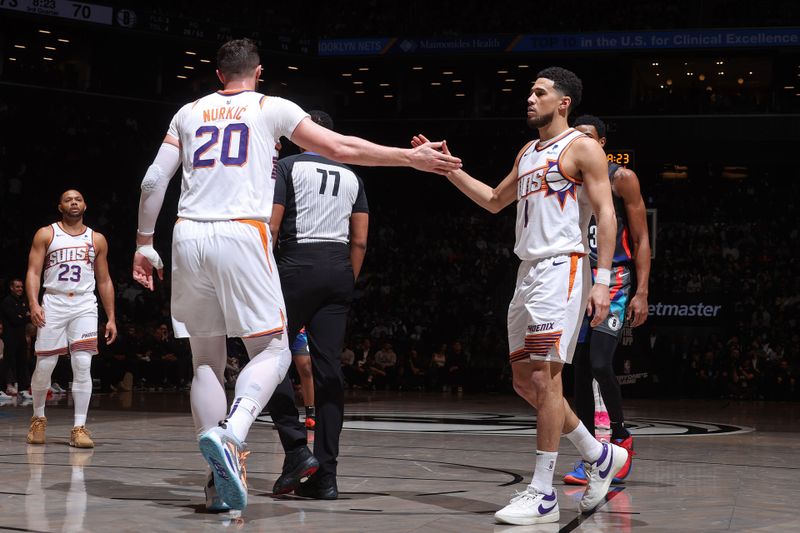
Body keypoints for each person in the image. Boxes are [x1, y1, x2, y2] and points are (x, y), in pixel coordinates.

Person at [131, 38, 459, 512]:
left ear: (218, 74)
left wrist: (144, 243)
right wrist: (412, 158)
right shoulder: (271, 107)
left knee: (205, 360)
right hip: (243, 231)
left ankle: (216, 482)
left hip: (187, 236)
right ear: (258, 72)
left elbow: (152, 180)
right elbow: (342, 147)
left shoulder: (187, 112)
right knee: (274, 349)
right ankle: (233, 433)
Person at [412, 67, 628, 525]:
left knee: (547, 382)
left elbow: (606, 215)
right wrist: (450, 170)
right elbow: (492, 200)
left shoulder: (583, 147)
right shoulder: (529, 151)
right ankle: (597, 453)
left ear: (563, 102)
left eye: (539, 92)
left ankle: (542, 491)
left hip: (563, 266)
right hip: (527, 271)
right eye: (530, 92)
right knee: (522, 382)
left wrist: (603, 280)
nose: (529, 98)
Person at [268, 110, 369, 500]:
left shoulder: (288, 167)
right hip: (339, 268)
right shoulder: (353, 175)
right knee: (330, 375)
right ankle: (326, 476)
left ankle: (296, 448)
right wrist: (346, 281)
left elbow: (273, 227)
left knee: (269, 357)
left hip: (295, 265)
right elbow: (359, 241)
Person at [563, 115, 651, 487]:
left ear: (601, 143)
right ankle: (592, 457)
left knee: (600, 364)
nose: (581, 145)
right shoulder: (565, 178)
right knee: (579, 372)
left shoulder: (622, 179)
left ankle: (620, 434)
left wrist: (642, 291)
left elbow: (643, 238)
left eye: (588, 139)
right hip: (576, 279)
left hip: (613, 281)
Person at [25, 189, 117, 448]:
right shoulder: (46, 234)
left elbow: (104, 280)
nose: (73, 202)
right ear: (60, 206)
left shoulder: (96, 239)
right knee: (45, 366)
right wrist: (33, 303)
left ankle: (79, 427)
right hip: (53, 302)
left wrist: (111, 317)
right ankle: (38, 418)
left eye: (78, 199)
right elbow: (33, 272)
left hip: (84, 304)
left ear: (85, 205)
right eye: (68, 199)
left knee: (82, 364)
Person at [2, 278, 32, 399]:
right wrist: (24, 316)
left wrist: (23, 316)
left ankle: (23, 388)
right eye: (17, 287)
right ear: (11, 288)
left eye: (21, 287)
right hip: (10, 337)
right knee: (9, 362)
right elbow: (15, 319)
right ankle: (4, 388)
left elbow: (27, 317)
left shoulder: (22, 301)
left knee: (22, 362)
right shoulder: (7, 301)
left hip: (21, 336)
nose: (20, 289)